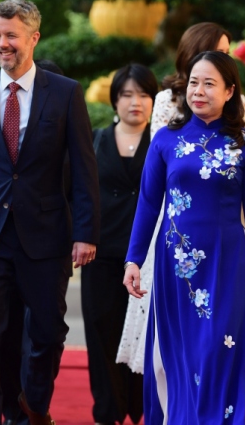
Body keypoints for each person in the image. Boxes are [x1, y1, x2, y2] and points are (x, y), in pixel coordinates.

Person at [0, 0, 100, 425]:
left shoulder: (65, 94)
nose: (2, 44)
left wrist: (86, 232)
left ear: (33, 37)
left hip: (46, 236)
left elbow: (84, 170)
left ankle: (33, 407)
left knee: (46, 333)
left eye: (11, 35)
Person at [123, 51, 245, 424]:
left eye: (209, 83)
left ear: (229, 92)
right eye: (194, 82)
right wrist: (133, 259)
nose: (199, 90)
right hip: (174, 263)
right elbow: (148, 204)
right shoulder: (165, 140)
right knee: (181, 355)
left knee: (216, 351)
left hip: (227, 263)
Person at [117, 22, 245, 374]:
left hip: (223, 229)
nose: (223, 59)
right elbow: (155, 187)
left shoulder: (240, 110)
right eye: (217, 51)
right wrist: (135, 256)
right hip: (176, 230)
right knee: (167, 350)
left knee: (217, 344)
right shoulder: (166, 105)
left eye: (226, 54)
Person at [83, 63, 156, 425]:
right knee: (101, 332)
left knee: (145, 336)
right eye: (127, 94)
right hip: (100, 253)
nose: (136, 102)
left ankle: (142, 409)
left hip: (146, 257)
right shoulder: (94, 140)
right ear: (114, 101)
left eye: (144, 94)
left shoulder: (162, 142)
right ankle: (107, 412)